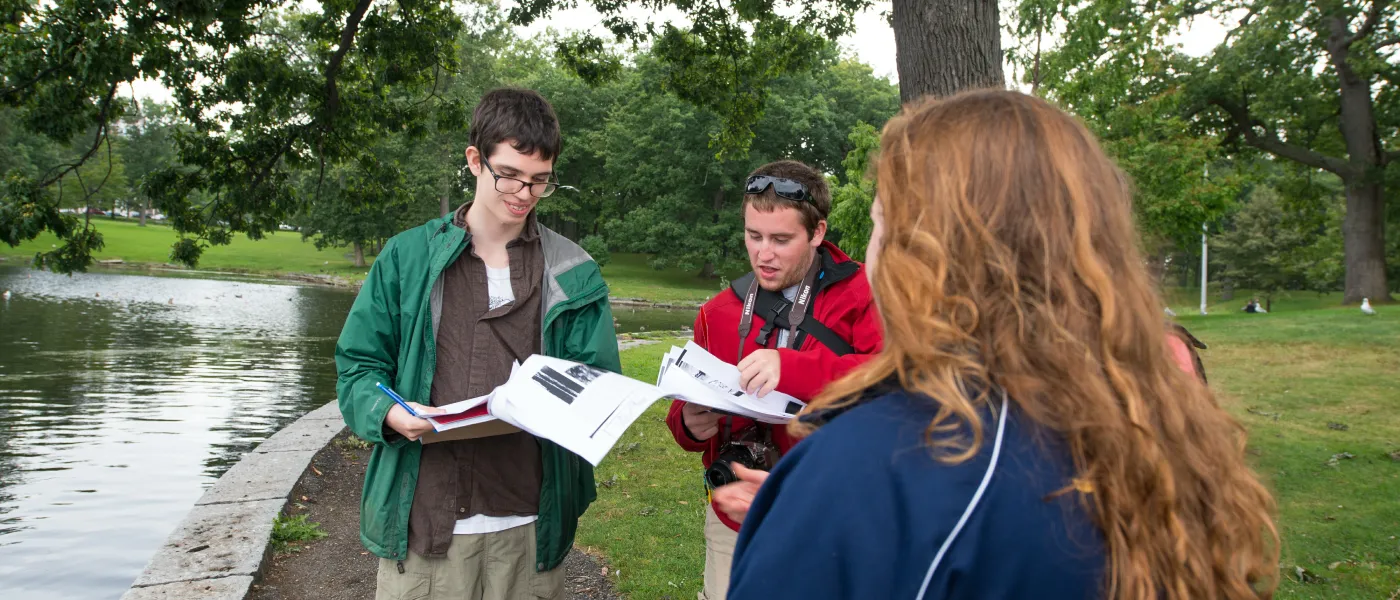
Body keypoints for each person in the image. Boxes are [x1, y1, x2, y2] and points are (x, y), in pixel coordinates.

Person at [727, 90, 1279, 599]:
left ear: (923, 255)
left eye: (878, 223)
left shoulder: (879, 460)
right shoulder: (1146, 416)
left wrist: (817, 512)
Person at [335, 88, 620, 600]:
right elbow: (358, 368)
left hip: (529, 523)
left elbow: (596, 383)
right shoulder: (406, 258)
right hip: (426, 522)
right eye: (508, 174)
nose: (523, 193)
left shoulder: (574, 271)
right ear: (474, 160)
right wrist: (391, 414)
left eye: (539, 181)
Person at [664, 160, 883, 600]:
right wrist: (687, 424)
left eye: (781, 240)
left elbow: (893, 380)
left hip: (831, 518)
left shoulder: (866, 293)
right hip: (736, 517)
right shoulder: (717, 312)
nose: (764, 254)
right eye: (754, 236)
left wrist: (795, 368)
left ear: (818, 233)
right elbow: (687, 413)